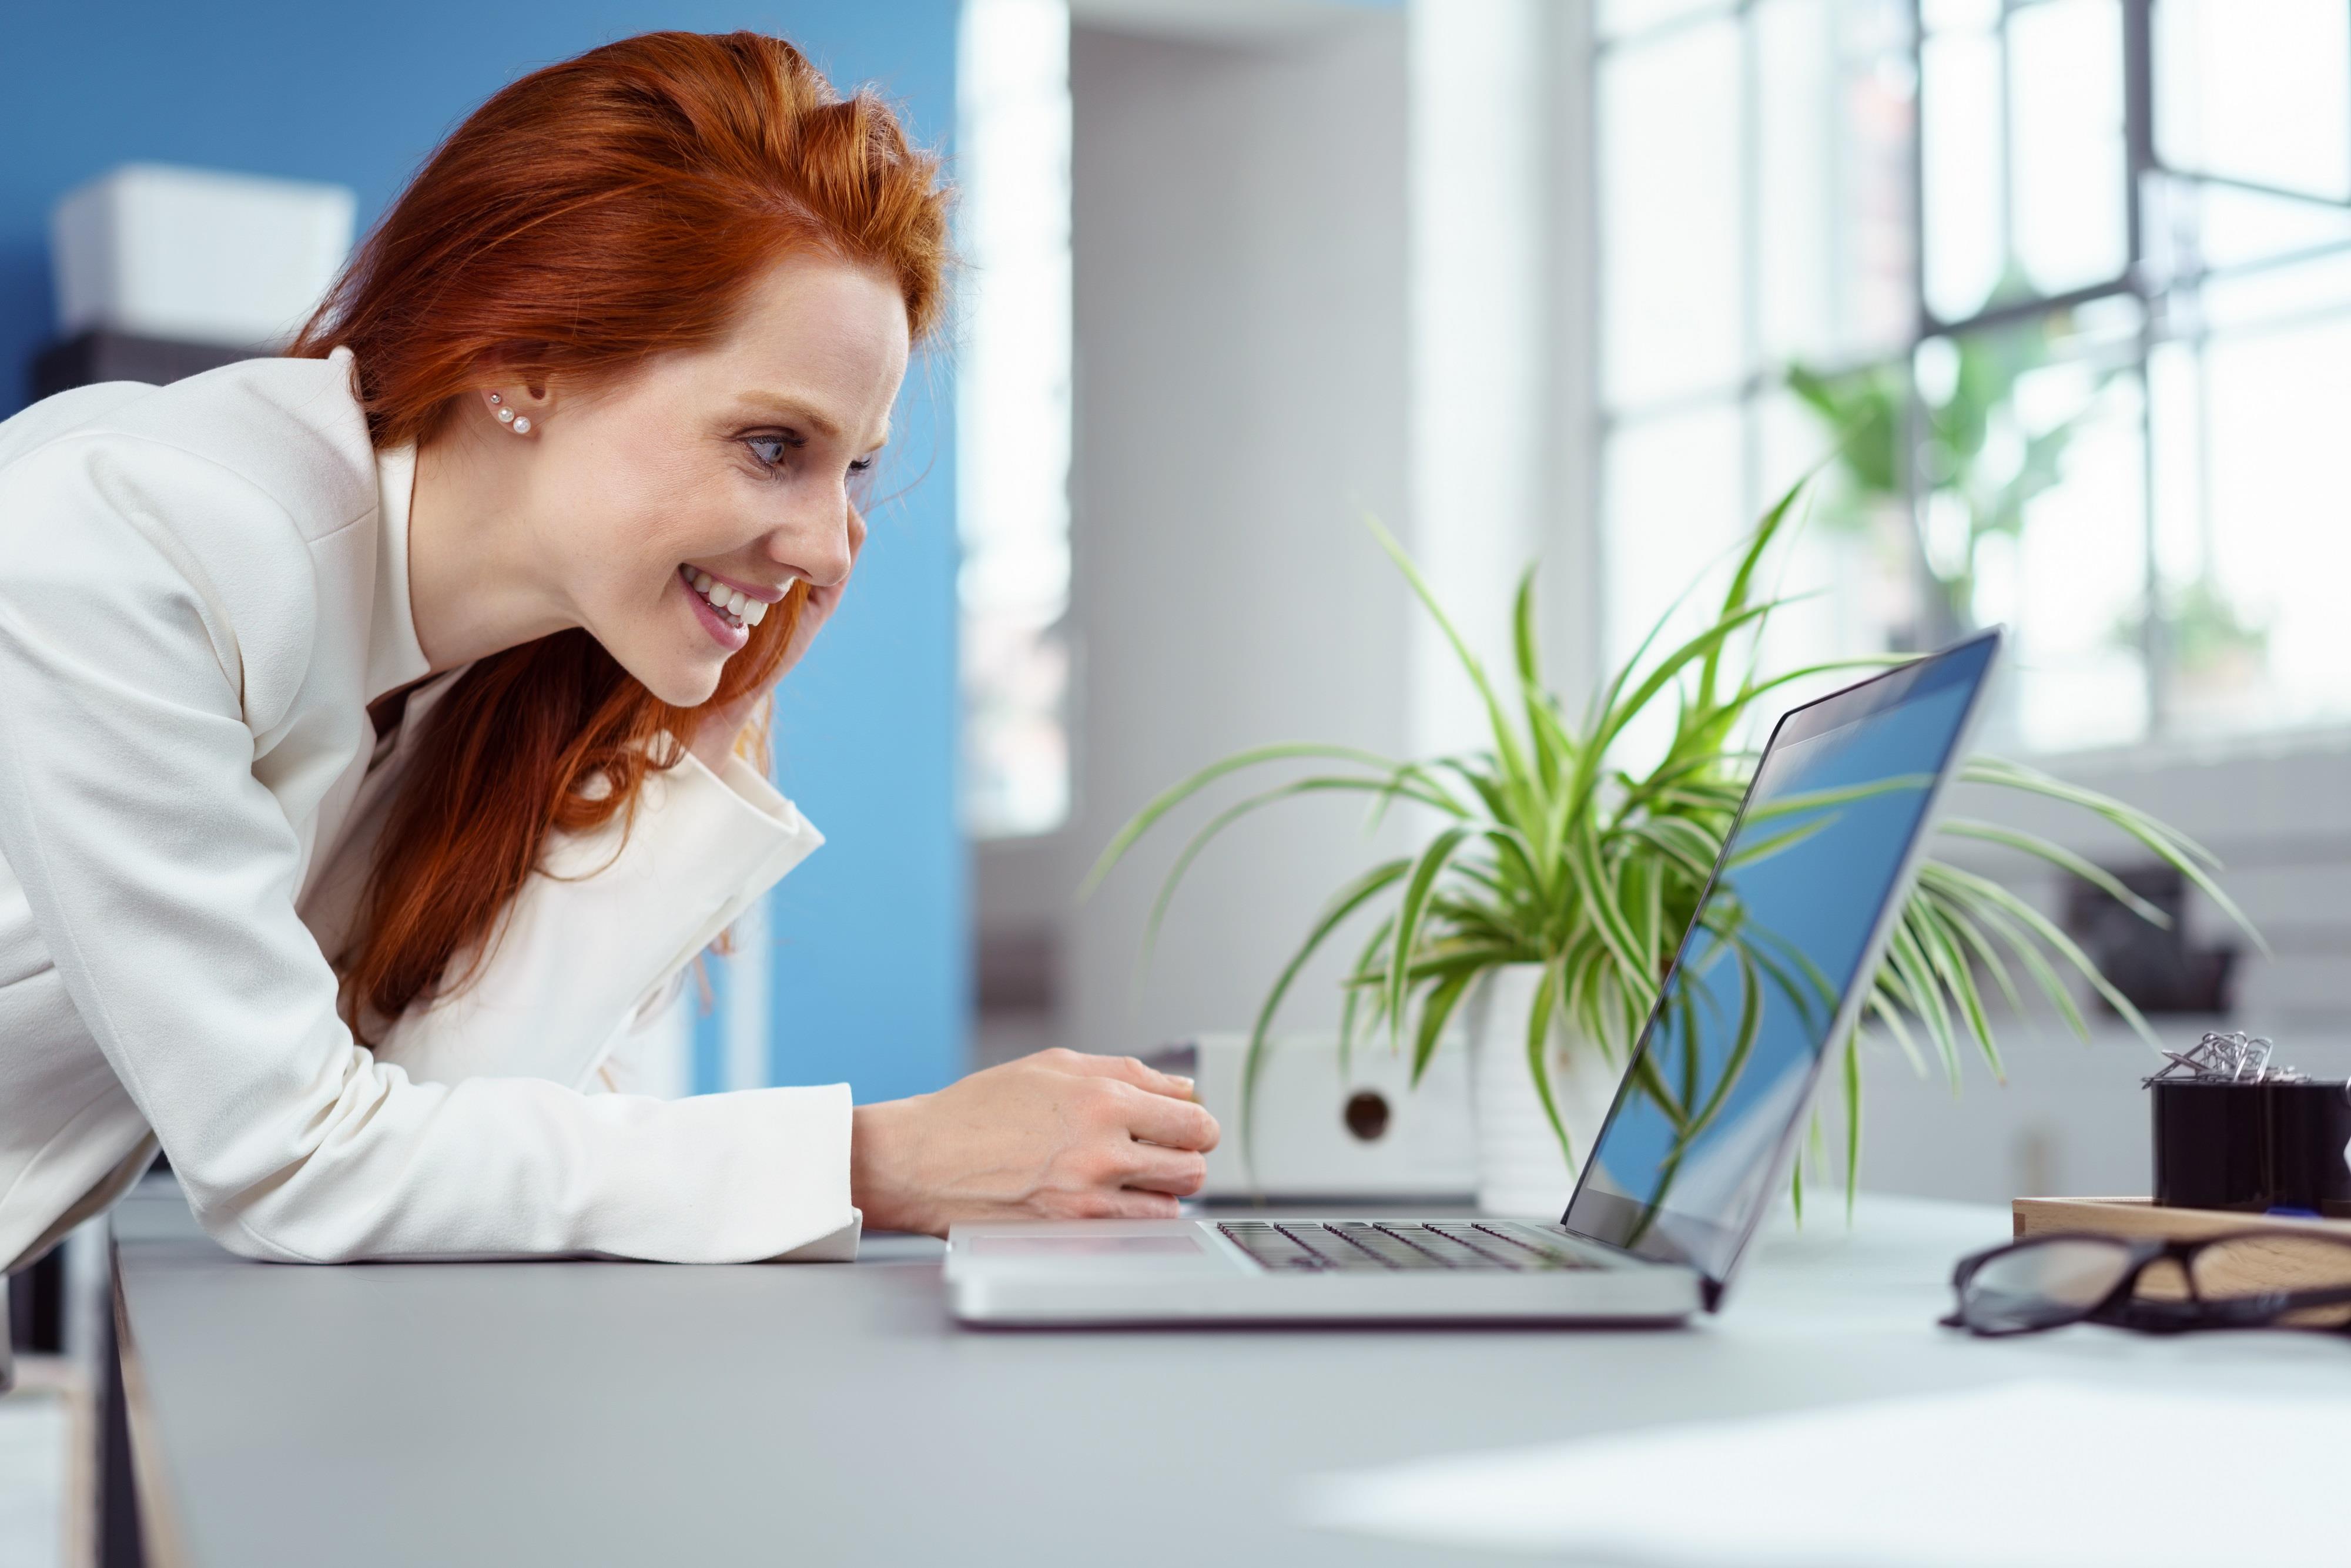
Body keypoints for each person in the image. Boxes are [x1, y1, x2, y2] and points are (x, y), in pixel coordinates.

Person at [0, 31, 1215, 1275]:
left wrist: (682, 731)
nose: (831, 549)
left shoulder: (469, 679)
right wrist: (882, 1159)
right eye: (769, 445)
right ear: (523, 359)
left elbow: (453, 1128)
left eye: (850, 467)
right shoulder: (132, 540)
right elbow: (296, 1161)